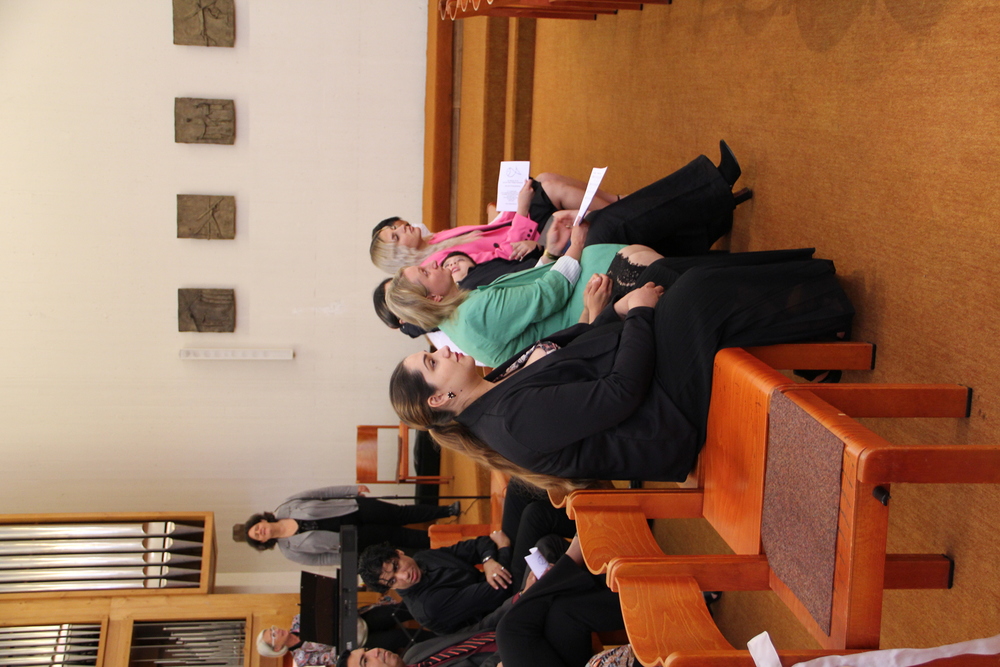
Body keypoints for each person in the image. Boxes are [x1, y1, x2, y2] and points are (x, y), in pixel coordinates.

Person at [389, 255, 854, 491]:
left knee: (661, 274)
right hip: (663, 416)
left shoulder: (494, 387)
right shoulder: (509, 421)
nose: (442, 352)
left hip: (639, 379)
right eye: (433, 363)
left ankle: (808, 335)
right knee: (691, 295)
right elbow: (619, 393)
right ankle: (824, 311)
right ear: (439, 399)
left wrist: (614, 311)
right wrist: (640, 316)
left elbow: (571, 351)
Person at [384, 144, 753, 366]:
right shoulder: (471, 315)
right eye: (425, 273)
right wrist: (573, 246)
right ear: (432, 298)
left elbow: (529, 283)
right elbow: (549, 294)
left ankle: (712, 202)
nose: (433, 264)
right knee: (607, 226)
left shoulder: (459, 310)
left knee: (604, 223)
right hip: (583, 308)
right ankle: (713, 191)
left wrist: (551, 251)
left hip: (571, 293)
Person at [370, 173, 621, 274]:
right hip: (528, 251)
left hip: (520, 230)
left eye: (394, 228)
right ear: (400, 256)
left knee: (543, 179)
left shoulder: (433, 240)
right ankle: (620, 210)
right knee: (552, 189)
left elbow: (493, 230)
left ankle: (617, 201)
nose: (401, 227)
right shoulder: (440, 261)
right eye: (396, 236)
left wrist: (511, 203)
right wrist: (520, 208)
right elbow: (504, 255)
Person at [235, 485, 461, 566]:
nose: (261, 531)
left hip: (353, 508)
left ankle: (447, 511)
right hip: (354, 538)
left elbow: (322, 493)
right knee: (400, 537)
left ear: (261, 520)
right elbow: (322, 560)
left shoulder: (288, 505)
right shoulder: (290, 552)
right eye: (258, 536)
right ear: (264, 541)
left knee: (401, 513)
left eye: (257, 528)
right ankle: (453, 542)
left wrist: (351, 490)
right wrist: (350, 557)